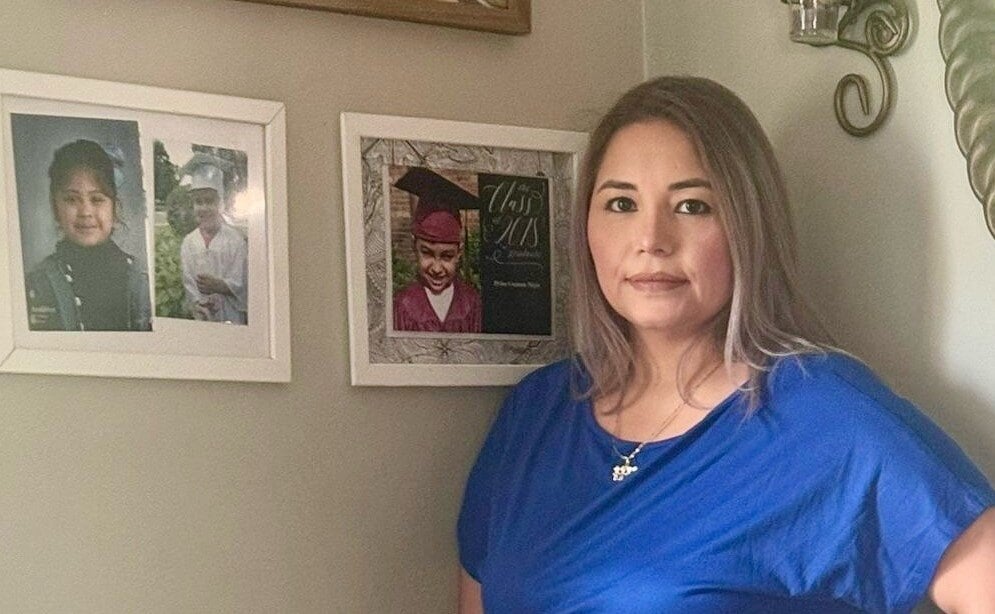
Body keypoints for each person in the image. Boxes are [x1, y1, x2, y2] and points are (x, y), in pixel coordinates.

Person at [457, 77, 995, 613]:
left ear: (748, 223)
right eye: (621, 203)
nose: (651, 239)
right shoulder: (536, 412)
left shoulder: (828, 415)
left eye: (692, 206)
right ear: (586, 229)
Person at [25, 139, 151, 331]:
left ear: (115, 208)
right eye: (71, 199)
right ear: (55, 207)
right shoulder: (37, 284)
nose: (85, 212)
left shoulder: (141, 280)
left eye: (97, 199)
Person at [392, 166, 482, 333]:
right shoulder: (403, 305)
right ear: (414, 247)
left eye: (447, 256)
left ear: (459, 253)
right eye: (427, 253)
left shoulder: (471, 303)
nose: (436, 268)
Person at [179, 154, 248, 324]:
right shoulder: (189, 242)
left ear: (220, 203)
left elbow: (244, 283)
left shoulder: (235, 241)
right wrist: (198, 303)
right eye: (198, 202)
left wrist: (222, 286)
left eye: (209, 201)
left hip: (232, 317)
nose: (203, 208)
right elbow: (189, 284)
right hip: (202, 319)